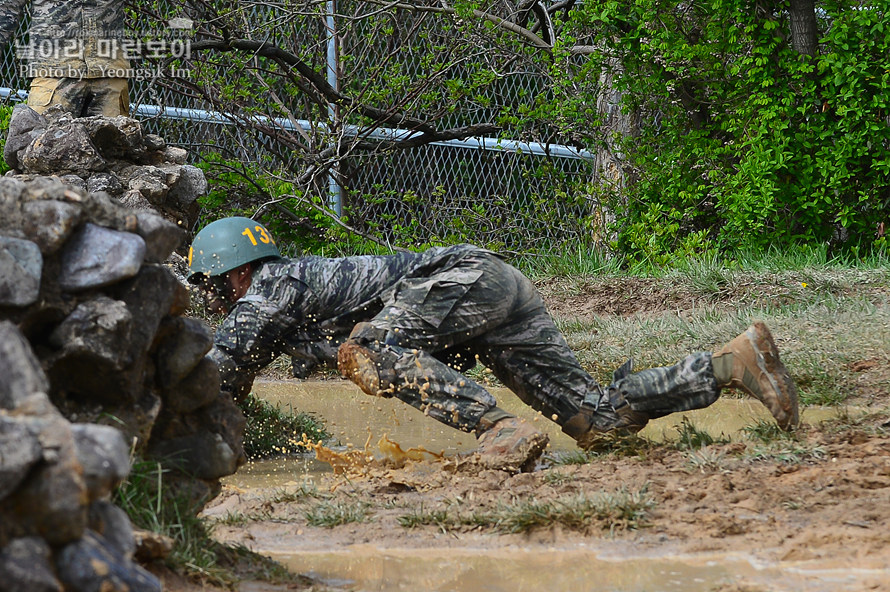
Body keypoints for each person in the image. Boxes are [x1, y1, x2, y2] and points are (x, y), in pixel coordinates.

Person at [188, 216, 800, 470]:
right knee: (599, 423)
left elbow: (219, 368)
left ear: (235, 271)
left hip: (460, 280)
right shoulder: (280, 291)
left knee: (368, 352)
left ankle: (498, 432)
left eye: (212, 284)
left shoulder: (269, 286)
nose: (212, 297)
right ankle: (731, 361)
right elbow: (236, 384)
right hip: (491, 287)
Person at [0, 0, 130, 117]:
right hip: (53, 73)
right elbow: (7, 8)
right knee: (43, 141)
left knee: (112, 143)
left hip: (110, 74)